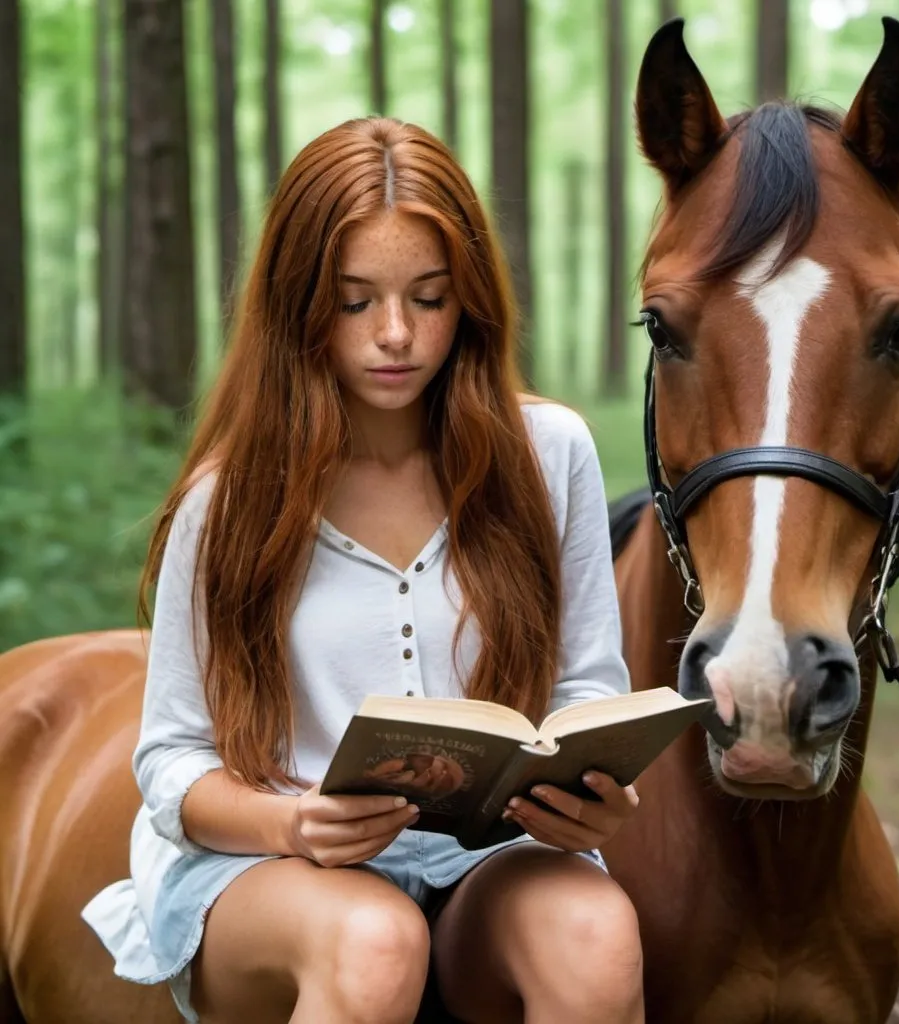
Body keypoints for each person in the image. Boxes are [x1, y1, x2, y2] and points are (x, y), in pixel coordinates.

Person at [82, 117, 644, 1024]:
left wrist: (589, 792)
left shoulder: (551, 453)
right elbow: (172, 763)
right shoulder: (225, 501)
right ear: (299, 306)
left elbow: (585, 684)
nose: (396, 335)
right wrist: (291, 823)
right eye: (354, 303)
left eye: (429, 297)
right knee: (376, 939)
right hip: (277, 868)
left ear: (470, 300)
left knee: (597, 934)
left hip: (489, 859)